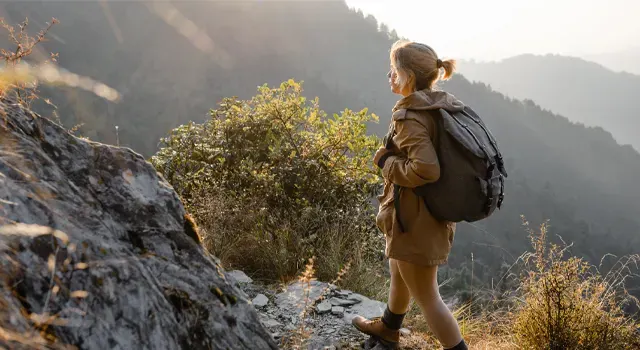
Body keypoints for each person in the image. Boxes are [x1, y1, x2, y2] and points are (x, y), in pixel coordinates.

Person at [351, 40, 468, 350]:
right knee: (398, 270)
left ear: (409, 78)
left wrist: (386, 162)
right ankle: (389, 329)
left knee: (428, 297)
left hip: (417, 219)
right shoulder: (434, 105)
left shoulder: (410, 117)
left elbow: (427, 170)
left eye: (395, 70)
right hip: (423, 215)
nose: (390, 75)